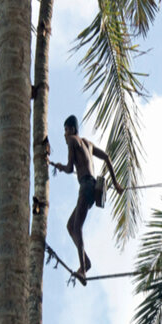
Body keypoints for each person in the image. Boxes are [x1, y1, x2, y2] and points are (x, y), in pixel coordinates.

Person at [50, 115, 123, 285]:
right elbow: (106, 157)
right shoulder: (88, 143)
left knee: (76, 227)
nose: (64, 134)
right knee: (70, 226)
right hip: (93, 187)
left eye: (66, 130)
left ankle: (83, 269)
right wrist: (115, 183)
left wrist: (59, 166)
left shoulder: (72, 141)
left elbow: (69, 168)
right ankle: (86, 261)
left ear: (73, 129)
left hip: (85, 186)